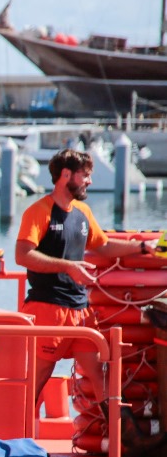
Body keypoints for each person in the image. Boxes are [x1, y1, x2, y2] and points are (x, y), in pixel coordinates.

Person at [15, 149, 152, 408]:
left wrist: (141, 247)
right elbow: (22, 255)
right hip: (47, 309)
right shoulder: (39, 211)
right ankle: (16, 440)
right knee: (38, 377)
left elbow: (103, 246)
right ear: (65, 175)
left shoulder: (83, 212)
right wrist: (68, 267)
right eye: (85, 175)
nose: (89, 181)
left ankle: (121, 439)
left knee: (101, 376)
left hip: (80, 310)